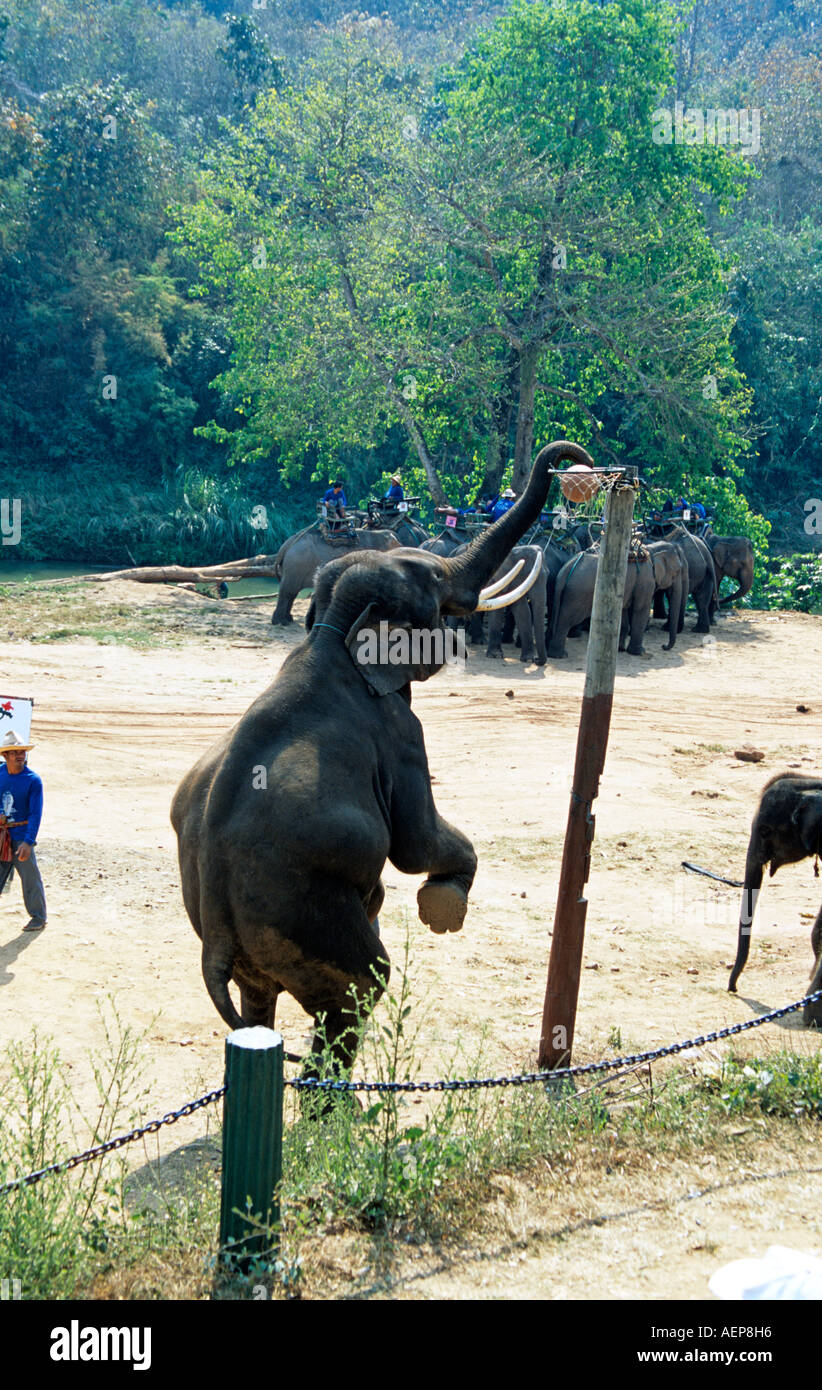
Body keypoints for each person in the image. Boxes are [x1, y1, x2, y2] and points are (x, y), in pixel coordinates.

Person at [0, 729, 47, 932]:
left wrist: (29, 842)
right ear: (5, 755)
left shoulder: (33, 780)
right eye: (15, 752)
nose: (20, 756)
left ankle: (38, 917)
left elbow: (35, 814)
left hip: (21, 837)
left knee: (30, 878)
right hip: (1, 835)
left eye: (22, 752)